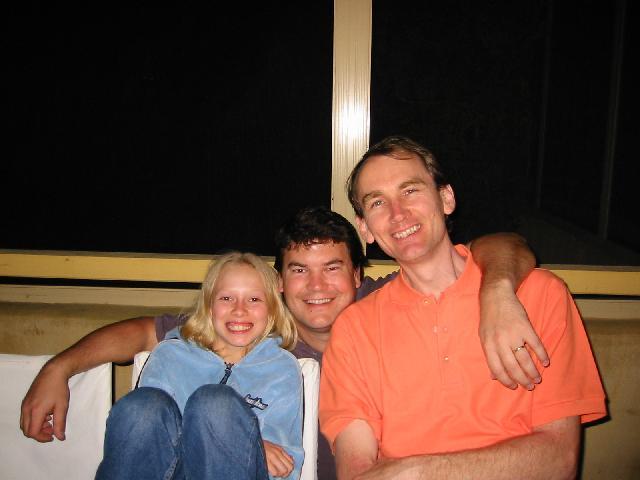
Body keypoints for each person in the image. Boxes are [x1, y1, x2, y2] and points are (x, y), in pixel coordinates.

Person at [21, 206, 544, 480]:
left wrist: (497, 291)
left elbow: (504, 245)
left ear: (358, 275)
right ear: (279, 282)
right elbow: (142, 332)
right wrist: (59, 368)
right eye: (299, 270)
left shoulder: (387, 306)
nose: (316, 287)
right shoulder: (257, 330)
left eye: (332, 268)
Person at [319, 135, 607, 479]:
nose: (397, 214)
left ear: (446, 198)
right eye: (378, 202)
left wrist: (418, 472)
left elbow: (559, 460)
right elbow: (356, 470)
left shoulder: (540, 295)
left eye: (410, 190)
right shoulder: (354, 329)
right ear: (365, 228)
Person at [96, 251, 303, 479]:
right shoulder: (170, 355)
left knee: (215, 404)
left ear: (272, 308)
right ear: (209, 305)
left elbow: (284, 464)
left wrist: (246, 444)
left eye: (254, 299)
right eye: (226, 298)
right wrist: (239, 439)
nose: (239, 309)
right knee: (142, 406)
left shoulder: (281, 369)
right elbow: (149, 437)